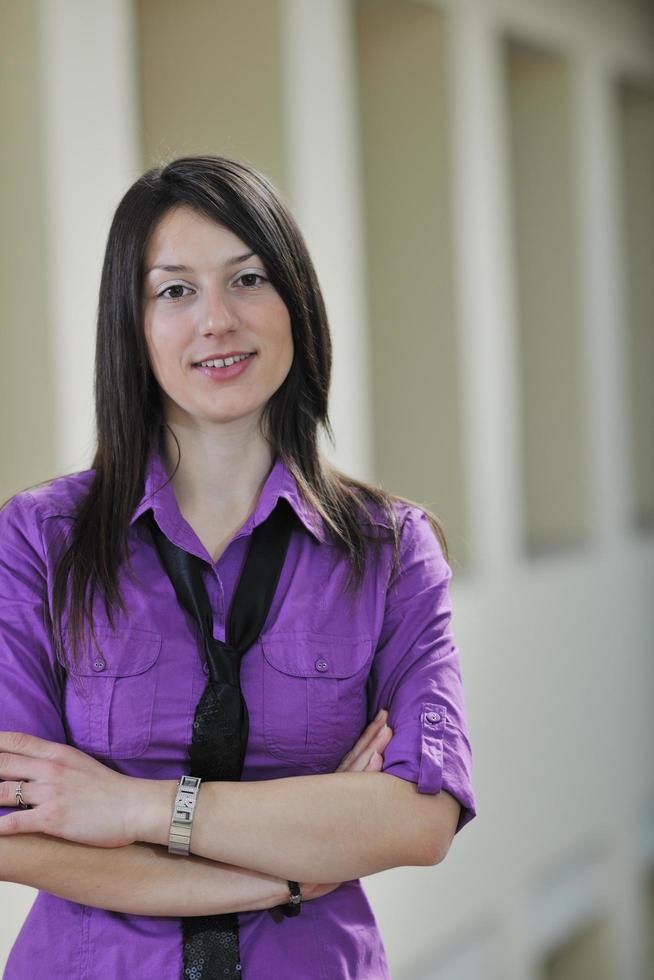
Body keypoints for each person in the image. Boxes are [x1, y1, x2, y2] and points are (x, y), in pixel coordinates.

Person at [0, 155, 476, 979]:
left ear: (296, 305)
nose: (216, 320)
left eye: (248, 279)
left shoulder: (392, 552)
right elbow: (15, 831)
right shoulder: (41, 540)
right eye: (174, 290)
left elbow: (419, 819)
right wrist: (288, 871)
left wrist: (135, 806)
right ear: (133, 323)